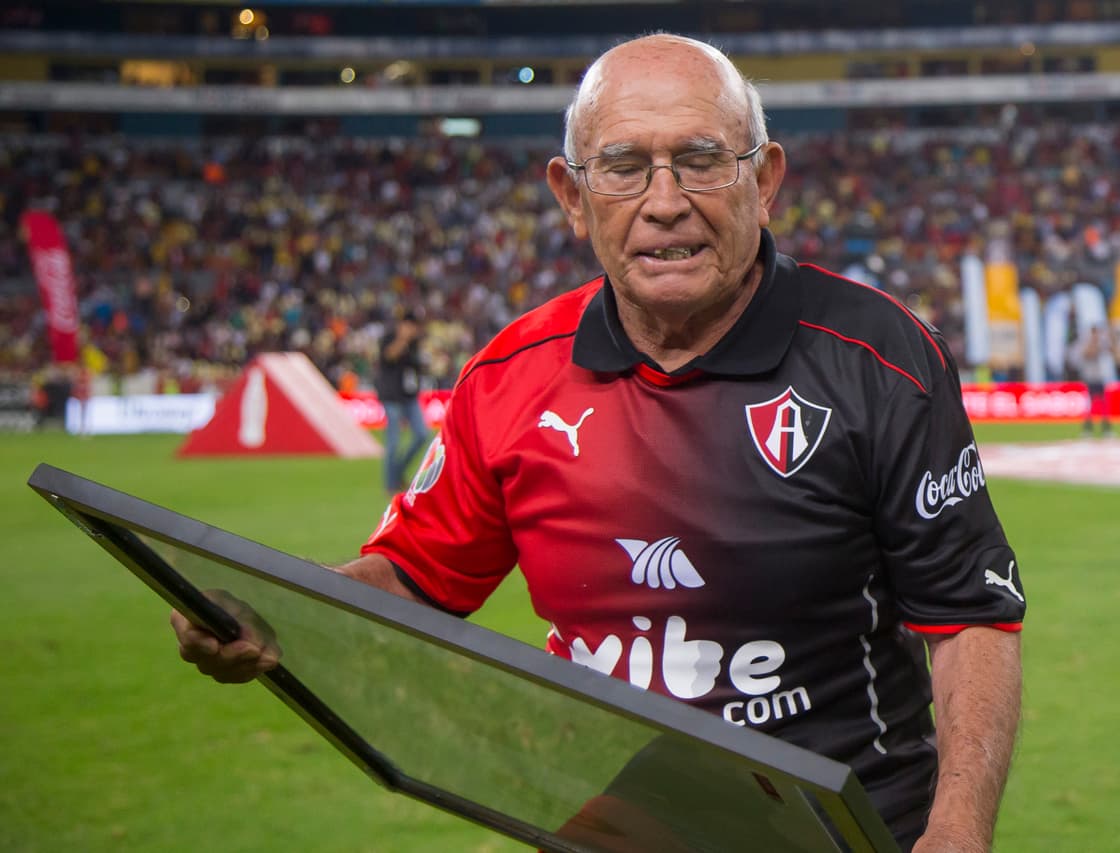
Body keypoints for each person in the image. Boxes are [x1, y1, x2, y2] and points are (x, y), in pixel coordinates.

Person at [172, 34, 1025, 852]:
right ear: (573, 198)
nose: (664, 201)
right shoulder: (510, 378)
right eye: (623, 166)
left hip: (842, 826)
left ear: (763, 182)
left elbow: (970, 619)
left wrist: (953, 835)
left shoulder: (879, 358)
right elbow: (415, 578)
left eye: (700, 159)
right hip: (621, 823)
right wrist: (273, 610)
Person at [375, 312, 431, 495]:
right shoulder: (389, 338)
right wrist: (402, 340)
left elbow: (417, 368)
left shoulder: (415, 345)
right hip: (391, 396)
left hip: (409, 396)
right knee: (393, 442)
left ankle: (398, 472)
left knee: (422, 435)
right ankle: (391, 485)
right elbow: (389, 356)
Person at [1069, 324, 1114, 436]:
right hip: (1089, 378)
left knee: (1104, 406)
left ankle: (1106, 429)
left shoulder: (1101, 343)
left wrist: (1108, 337)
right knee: (1088, 406)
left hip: (1099, 377)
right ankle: (1087, 430)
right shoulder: (1085, 344)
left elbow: (1111, 350)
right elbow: (1088, 353)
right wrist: (1094, 342)